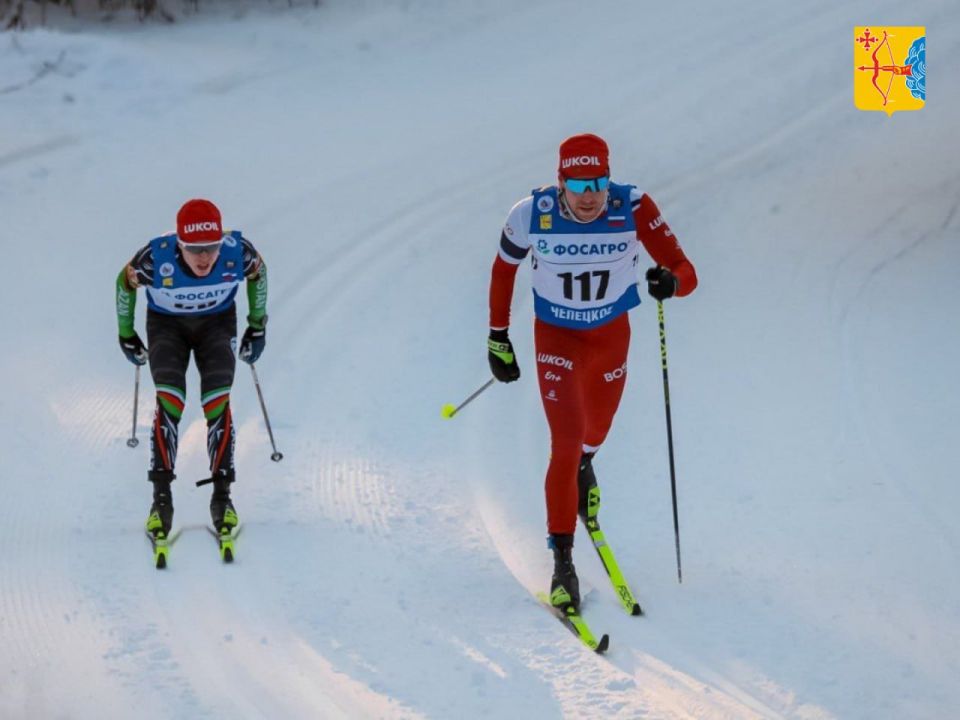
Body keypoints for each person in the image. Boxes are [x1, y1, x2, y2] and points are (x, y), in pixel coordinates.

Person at [487, 134, 697, 611]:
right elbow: (504, 270)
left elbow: (687, 270)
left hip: (609, 341)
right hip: (556, 340)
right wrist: (498, 336)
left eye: (598, 183)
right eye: (579, 184)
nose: (589, 196)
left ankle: (586, 465)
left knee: (592, 436)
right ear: (560, 182)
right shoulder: (531, 214)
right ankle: (563, 562)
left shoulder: (633, 206)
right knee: (564, 441)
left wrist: (672, 281)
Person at [115, 198, 268, 542]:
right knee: (170, 401)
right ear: (180, 243)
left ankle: (223, 497)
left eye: (211, 248)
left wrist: (257, 325)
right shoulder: (155, 259)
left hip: (217, 324)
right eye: (194, 249)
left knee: (216, 401)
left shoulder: (237, 252)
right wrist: (126, 333)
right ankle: (161, 501)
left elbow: (259, 272)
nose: (205, 258)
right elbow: (123, 283)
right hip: (168, 326)